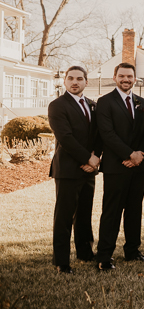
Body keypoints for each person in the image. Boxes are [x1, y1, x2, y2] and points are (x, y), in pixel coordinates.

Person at [95, 62, 144, 270]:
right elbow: (107, 134)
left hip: (138, 166)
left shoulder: (143, 103)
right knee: (112, 211)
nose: (126, 79)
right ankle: (104, 256)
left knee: (134, 210)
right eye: (122, 76)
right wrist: (129, 154)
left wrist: (139, 155)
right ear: (114, 77)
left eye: (129, 76)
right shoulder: (104, 102)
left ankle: (132, 251)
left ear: (134, 79)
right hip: (115, 166)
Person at [49, 66, 103, 274]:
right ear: (64, 81)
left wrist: (95, 158)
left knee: (84, 213)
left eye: (79, 79)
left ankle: (85, 252)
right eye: (70, 78)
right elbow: (65, 137)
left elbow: (99, 135)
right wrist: (87, 157)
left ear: (86, 82)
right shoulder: (57, 106)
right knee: (64, 216)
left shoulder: (92, 105)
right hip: (67, 169)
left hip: (89, 170)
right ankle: (61, 260)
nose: (75, 82)